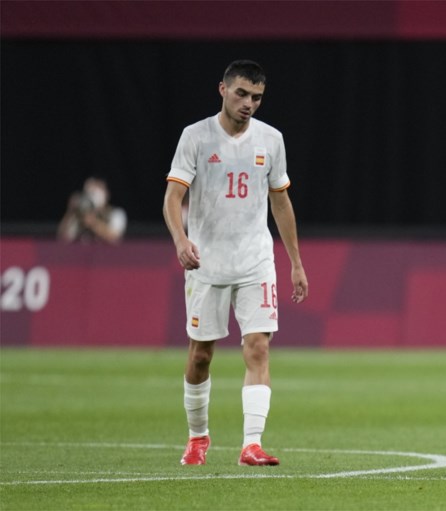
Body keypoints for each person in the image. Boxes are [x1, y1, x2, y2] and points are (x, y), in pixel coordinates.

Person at [162, 60, 308, 466]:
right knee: (201, 355)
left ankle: (251, 444)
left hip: (255, 261)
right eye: (242, 93)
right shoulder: (196, 137)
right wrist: (180, 239)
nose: (249, 103)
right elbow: (173, 197)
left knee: (258, 347)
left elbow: (280, 201)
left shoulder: (271, 140)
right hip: (205, 262)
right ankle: (197, 437)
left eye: (257, 97)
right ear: (222, 89)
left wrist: (295, 261)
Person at [57, 177, 127, 244]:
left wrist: (93, 223)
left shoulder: (116, 213)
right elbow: (63, 237)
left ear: (107, 193)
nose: (95, 195)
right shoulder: (78, 216)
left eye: (99, 190)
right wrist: (70, 211)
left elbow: (115, 238)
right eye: (91, 192)